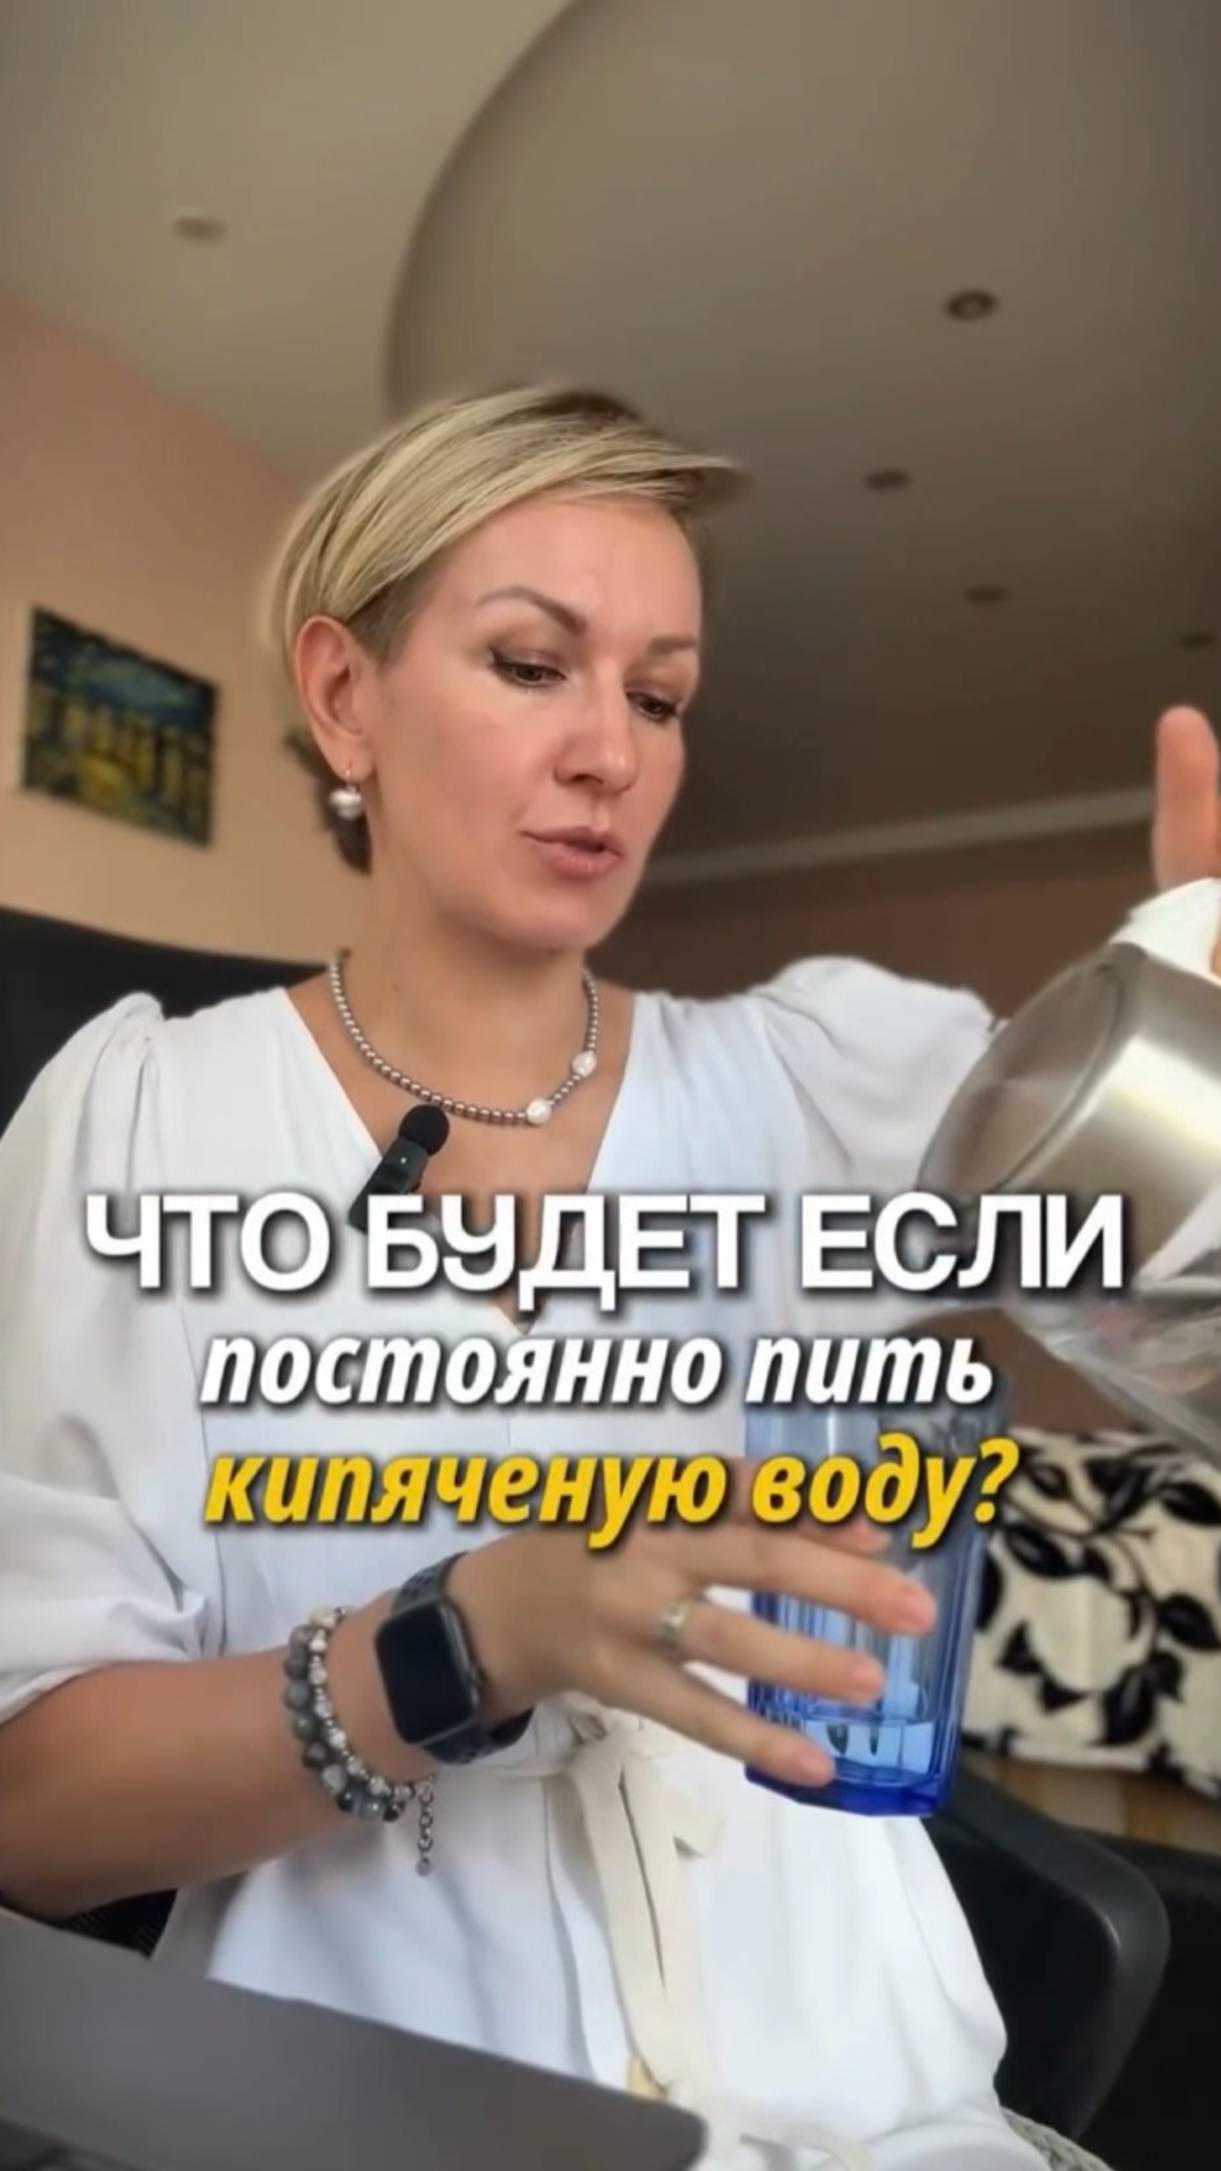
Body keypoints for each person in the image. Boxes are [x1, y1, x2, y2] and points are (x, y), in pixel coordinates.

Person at [0, 385, 1216, 2171]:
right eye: (528, 666)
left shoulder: (838, 1083)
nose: (611, 755)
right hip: (377, 2122)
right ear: (343, 694)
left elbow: (1178, 1331)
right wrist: (473, 1637)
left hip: (888, 2121)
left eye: (657, 697)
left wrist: (1192, 1048)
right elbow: (34, 1812)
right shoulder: (136, 1120)